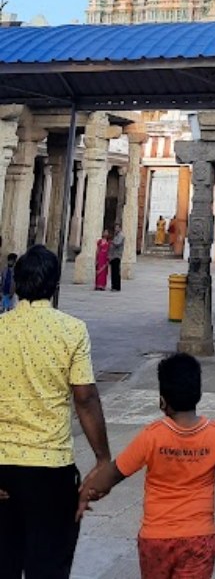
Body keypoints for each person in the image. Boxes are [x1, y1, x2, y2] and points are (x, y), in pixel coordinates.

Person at [78, 352, 215, 579]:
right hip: (199, 538)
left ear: (163, 401)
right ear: (198, 395)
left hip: (155, 539)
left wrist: (87, 493)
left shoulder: (152, 437)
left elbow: (114, 473)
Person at [0, 244, 111, 579]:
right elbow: (85, 398)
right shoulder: (72, 330)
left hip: (3, 468)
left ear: (16, 285)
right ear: (54, 285)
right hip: (50, 469)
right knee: (48, 566)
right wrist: (103, 458)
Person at [108, 223, 124, 292]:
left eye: (117, 228)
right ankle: (113, 285)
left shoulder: (121, 235)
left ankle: (116, 286)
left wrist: (112, 242)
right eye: (115, 228)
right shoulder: (116, 235)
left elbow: (117, 243)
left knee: (116, 272)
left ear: (120, 228)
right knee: (113, 272)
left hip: (117, 256)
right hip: (113, 256)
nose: (116, 229)